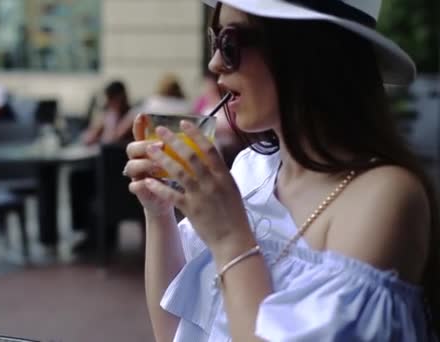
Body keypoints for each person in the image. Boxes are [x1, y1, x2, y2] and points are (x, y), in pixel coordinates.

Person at [124, 0, 438, 341]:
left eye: (230, 44)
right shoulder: (250, 170)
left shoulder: (384, 198)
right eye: (214, 41)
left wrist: (231, 237)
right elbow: (174, 332)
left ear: (306, 51)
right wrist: (159, 214)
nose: (215, 63)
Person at [70, 80, 133, 251]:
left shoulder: (131, 116)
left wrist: (111, 117)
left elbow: (112, 139)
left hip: (122, 177)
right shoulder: (108, 115)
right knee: (77, 177)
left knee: (84, 181)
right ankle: (86, 234)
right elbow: (89, 138)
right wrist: (99, 122)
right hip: (104, 170)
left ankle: (98, 238)